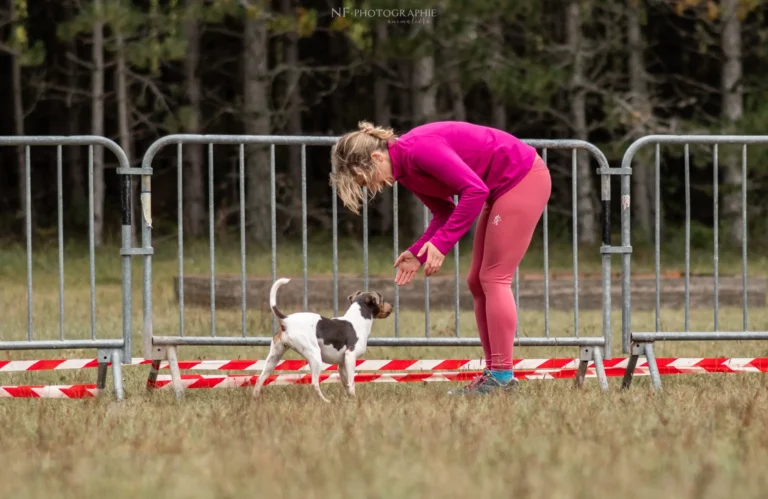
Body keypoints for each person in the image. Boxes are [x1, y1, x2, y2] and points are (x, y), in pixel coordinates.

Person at [330, 120, 551, 394]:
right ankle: (495, 373)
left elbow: (475, 191)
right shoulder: (404, 171)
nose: (372, 186)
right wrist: (418, 253)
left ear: (376, 158)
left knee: (494, 278)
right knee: (476, 281)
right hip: (498, 189)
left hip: (522, 178)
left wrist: (442, 244)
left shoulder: (419, 150)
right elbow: (444, 212)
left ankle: (502, 376)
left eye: (366, 179)